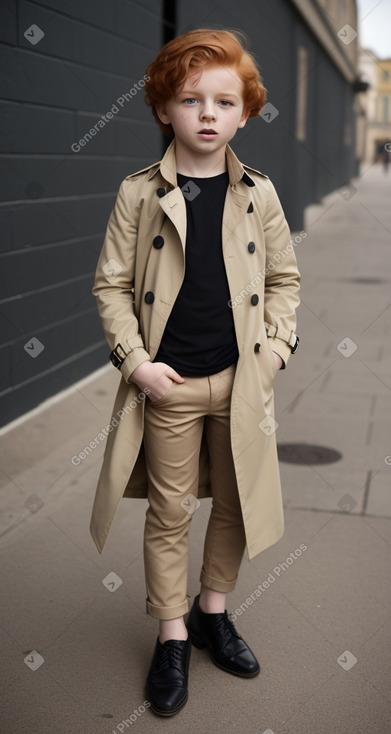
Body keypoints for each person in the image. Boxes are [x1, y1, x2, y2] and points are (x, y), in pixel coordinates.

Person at [89, 27, 300, 717]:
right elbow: (111, 286)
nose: (207, 113)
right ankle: (172, 634)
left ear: (243, 113)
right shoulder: (139, 193)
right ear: (161, 109)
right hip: (168, 386)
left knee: (236, 505)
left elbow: (283, 279)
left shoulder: (258, 195)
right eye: (189, 99)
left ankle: (212, 612)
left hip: (243, 382)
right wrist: (137, 363)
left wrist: (273, 350)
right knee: (170, 511)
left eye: (223, 101)